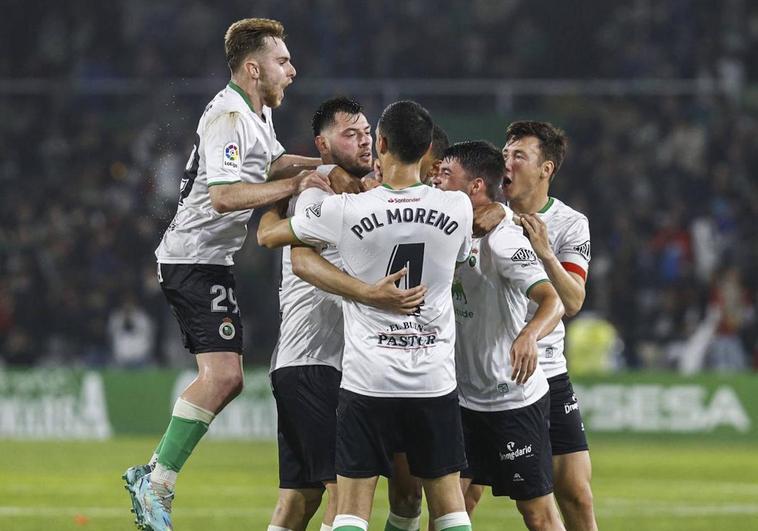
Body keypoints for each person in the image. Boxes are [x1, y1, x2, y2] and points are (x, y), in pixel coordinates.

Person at [122, 18, 332, 531]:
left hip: (208, 260)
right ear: (254, 68)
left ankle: (155, 476)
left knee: (229, 377)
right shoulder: (228, 117)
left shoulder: (255, 117)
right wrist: (297, 185)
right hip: (192, 257)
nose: (293, 70)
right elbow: (223, 196)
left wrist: (331, 168)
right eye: (283, 62)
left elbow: (276, 161)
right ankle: (156, 481)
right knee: (224, 376)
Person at [260, 100, 475, 531]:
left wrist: (277, 190)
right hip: (432, 378)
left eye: (366, 134)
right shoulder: (458, 208)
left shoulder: (347, 210)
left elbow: (269, 237)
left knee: (347, 507)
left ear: (381, 144)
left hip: (366, 379)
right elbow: (459, 256)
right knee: (449, 506)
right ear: (428, 148)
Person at [468, 121, 597, 531]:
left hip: (547, 368)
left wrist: (545, 252)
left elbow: (573, 300)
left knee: (575, 491)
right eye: (505, 154)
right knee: (462, 495)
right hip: (487, 371)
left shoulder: (570, 223)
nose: (507, 162)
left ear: (547, 169)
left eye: (519, 155)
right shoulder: (484, 214)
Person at [437, 140, 565, 530]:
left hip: (512, 401)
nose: (436, 183)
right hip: (462, 400)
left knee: (538, 516)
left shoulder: (503, 240)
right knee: (449, 511)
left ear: (475, 186)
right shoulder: (444, 227)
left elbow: (552, 301)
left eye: (446, 176)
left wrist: (529, 335)